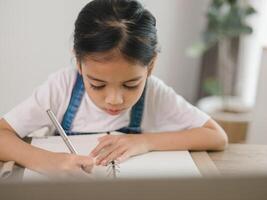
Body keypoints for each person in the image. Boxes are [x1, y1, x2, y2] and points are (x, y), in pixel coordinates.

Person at [0, 0, 227, 177]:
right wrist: (47, 162)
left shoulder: (155, 93)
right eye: (97, 85)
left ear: (151, 66)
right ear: (78, 63)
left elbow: (216, 136)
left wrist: (145, 142)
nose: (114, 99)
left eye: (131, 84)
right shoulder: (61, 88)